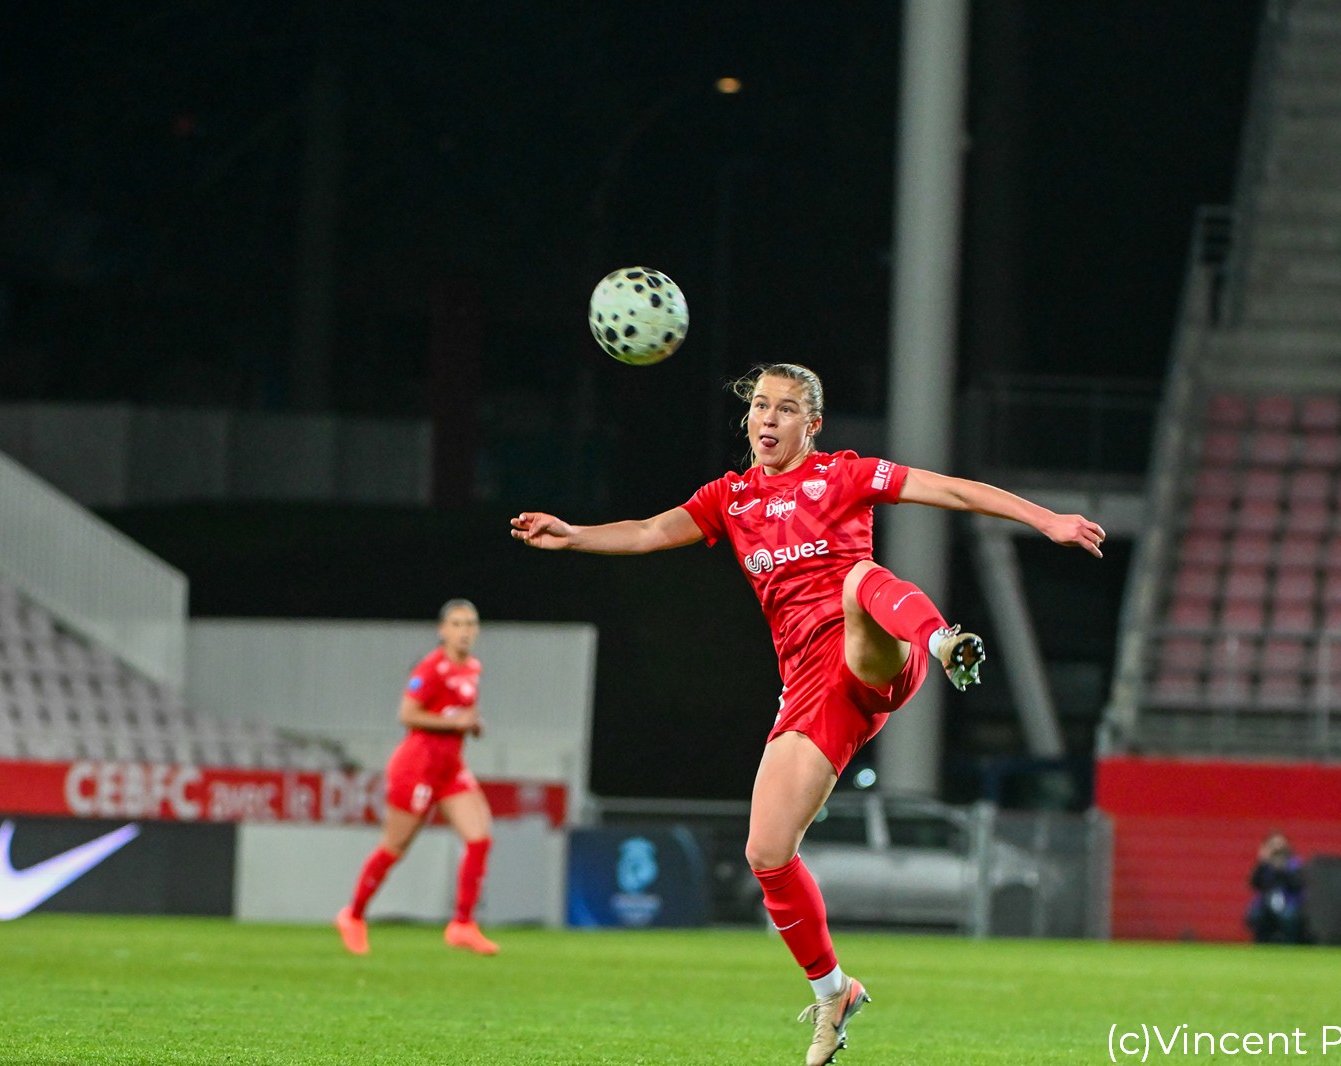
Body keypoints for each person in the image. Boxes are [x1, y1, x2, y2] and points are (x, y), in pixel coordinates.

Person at [511, 363, 1103, 1066]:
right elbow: (646, 531)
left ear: (812, 424)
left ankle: (944, 641)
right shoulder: (729, 499)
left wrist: (1046, 519)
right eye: (760, 406)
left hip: (873, 650)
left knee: (857, 579)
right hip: (811, 690)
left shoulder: (844, 476)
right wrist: (573, 534)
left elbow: (950, 489)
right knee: (766, 853)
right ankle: (833, 992)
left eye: (785, 408)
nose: (767, 418)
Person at [334, 598, 500, 956]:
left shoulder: (473, 668)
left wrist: (473, 724)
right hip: (417, 768)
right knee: (395, 847)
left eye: (470, 624)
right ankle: (353, 915)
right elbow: (407, 714)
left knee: (480, 837)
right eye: (457, 624)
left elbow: (462, 710)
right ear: (442, 630)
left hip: (450, 769)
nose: (465, 631)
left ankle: (462, 924)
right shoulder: (431, 668)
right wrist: (454, 723)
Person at [1245, 831, 1309, 944]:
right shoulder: (1265, 866)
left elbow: (1297, 885)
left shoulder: (1294, 864)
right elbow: (1254, 884)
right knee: (1257, 916)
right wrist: (1262, 863)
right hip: (1266, 904)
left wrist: (1282, 868)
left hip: (1290, 904)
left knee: (1289, 918)